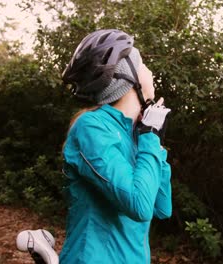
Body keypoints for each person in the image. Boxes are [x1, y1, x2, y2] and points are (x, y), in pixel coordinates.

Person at [59, 29, 172, 263]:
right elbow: (139, 205)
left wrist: (152, 139)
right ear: (127, 74)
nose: (149, 72)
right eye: (142, 64)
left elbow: (161, 207)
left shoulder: (136, 135)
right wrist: (150, 134)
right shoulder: (92, 128)